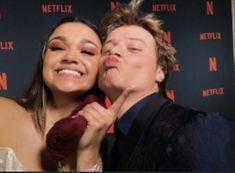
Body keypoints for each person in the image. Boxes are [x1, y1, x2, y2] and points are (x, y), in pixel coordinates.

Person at [96, 0, 234, 171]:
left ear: (160, 71)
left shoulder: (198, 128)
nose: (113, 52)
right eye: (106, 49)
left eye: (134, 48)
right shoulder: (109, 147)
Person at [0, 17, 129, 171]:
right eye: (58, 48)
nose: (70, 58)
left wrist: (88, 152)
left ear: (101, 67)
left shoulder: (114, 145)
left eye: (87, 51)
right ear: (44, 60)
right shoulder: (3, 110)